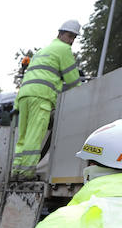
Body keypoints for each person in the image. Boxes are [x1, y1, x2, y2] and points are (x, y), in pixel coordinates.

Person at [13, 19, 83, 177]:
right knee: (34, 135)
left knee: (22, 136)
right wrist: (82, 93)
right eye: (69, 36)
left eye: (74, 37)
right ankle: (26, 174)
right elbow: (73, 80)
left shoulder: (41, 51)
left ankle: (16, 170)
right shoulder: (63, 49)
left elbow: (29, 76)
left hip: (24, 95)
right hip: (41, 97)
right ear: (60, 34)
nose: (71, 41)